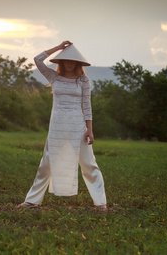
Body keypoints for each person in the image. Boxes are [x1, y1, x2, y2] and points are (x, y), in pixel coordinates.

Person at [18, 41, 107, 210]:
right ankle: (32, 201)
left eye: (72, 60)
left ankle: (101, 203)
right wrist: (59, 48)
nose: (69, 63)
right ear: (61, 61)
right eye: (65, 60)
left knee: (89, 164)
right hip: (57, 125)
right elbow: (37, 60)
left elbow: (87, 105)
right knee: (46, 164)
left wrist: (89, 129)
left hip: (77, 125)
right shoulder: (54, 77)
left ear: (78, 63)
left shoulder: (83, 80)